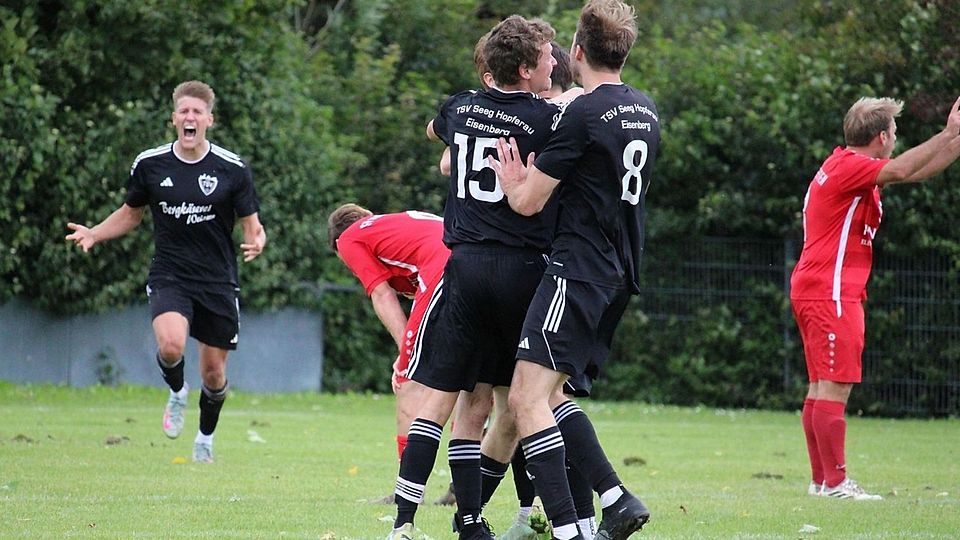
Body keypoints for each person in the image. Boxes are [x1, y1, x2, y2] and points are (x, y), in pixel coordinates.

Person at [388, 15, 560, 540]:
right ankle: (549, 514)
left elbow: (434, 132)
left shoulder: (460, 107)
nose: (553, 63)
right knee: (525, 400)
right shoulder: (546, 119)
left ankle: (408, 523)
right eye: (545, 57)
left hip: (463, 268)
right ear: (526, 70)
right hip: (519, 269)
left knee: (449, 399)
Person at [491, 1, 659, 538]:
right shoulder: (646, 109)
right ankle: (608, 505)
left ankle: (571, 528)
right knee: (551, 396)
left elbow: (528, 202)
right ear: (624, 53)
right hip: (619, 273)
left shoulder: (581, 113)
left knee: (524, 398)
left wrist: (513, 181)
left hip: (578, 270)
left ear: (577, 51)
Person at [65, 80, 266, 463]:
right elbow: (131, 214)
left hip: (218, 280)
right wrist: (95, 233)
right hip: (170, 274)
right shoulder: (150, 164)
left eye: (197, 112)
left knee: (214, 375)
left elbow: (252, 226)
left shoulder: (232, 168)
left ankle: (205, 439)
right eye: (184, 111)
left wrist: (257, 242)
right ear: (174, 118)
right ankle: (177, 391)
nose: (190, 117)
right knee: (171, 346)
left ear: (209, 120)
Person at [790, 96, 960, 500]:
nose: (896, 139)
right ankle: (835, 483)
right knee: (835, 387)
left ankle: (822, 481)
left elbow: (913, 172)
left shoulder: (847, 165)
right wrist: (947, 134)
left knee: (820, 386)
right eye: (895, 132)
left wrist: (954, 141)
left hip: (819, 288)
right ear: (881, 137)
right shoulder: (850, 167)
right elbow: (901, 168)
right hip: (831, 290)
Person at [326, 204, 449, 498]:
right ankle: (464, 488)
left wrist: (405, 353)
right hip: (479, 261)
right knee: (475, 383)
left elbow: (382, 294)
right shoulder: (395, 225)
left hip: (442, 268)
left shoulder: (349, 238)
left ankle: (407, 489)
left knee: (407, 381)